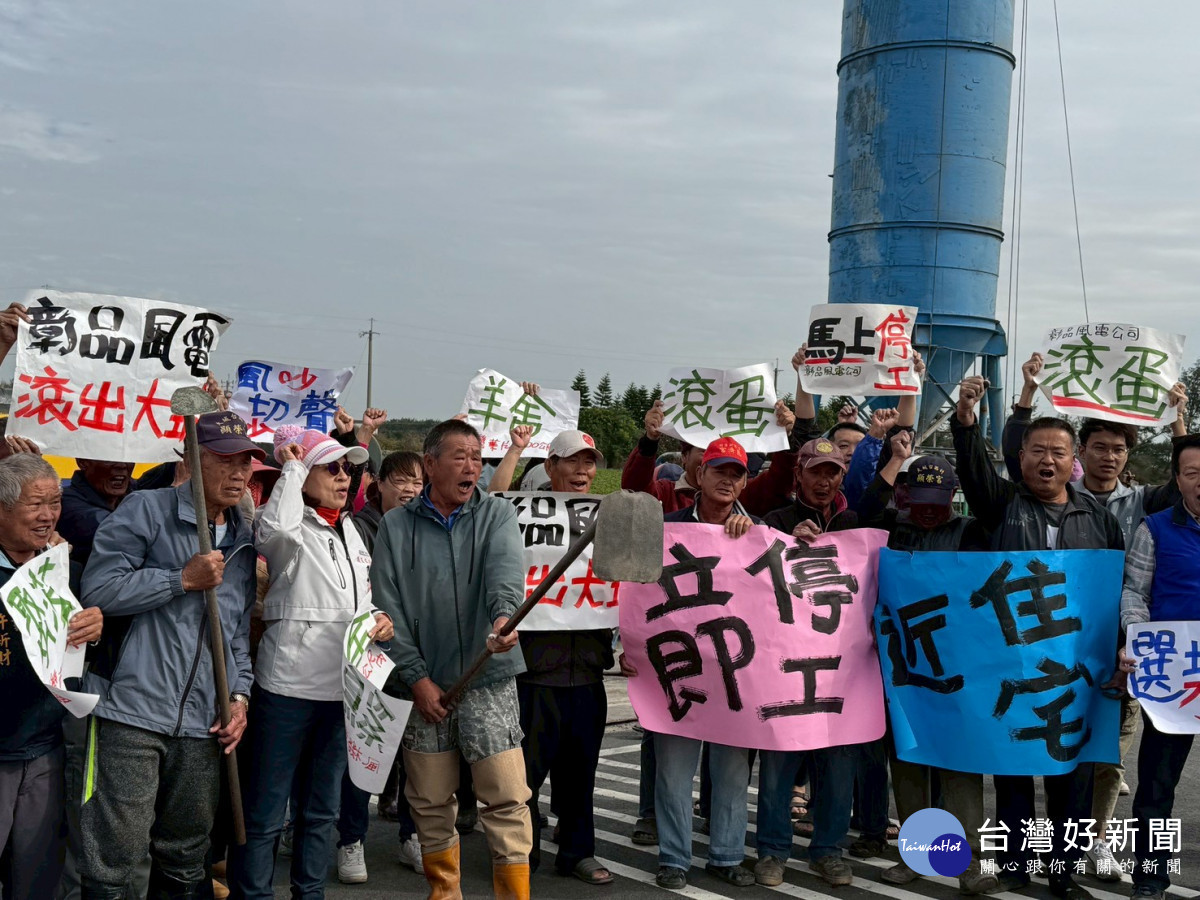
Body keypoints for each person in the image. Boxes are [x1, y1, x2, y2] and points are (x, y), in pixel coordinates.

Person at [1005, 353, 1190, 879]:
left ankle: (1093, 843)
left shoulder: (1141, 504)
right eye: (1099, 447)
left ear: (1128, 456)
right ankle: (1028, 853)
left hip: (1116, 650)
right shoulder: (1045, 498)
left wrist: (1177, 419)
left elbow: (1185, 483)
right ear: (1080, 454)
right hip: (1042, 643)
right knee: (1031, 752)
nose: (1109, 457)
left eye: (1119, 448)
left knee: (1104, 755)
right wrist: (1027, 394)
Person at [953, 375, 1124, 900]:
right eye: (1036, 451)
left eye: (1057, 451)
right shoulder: (1002, 505)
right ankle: (1014, 864)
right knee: (1013, 767)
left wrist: (1120, 649)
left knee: (1070, 772)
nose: (1046, 460)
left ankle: (1064, 872)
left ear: (1073, 460)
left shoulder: (1097, 517)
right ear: (1020, 456)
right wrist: (966, 419)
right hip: (1014, 661)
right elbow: (975, 469)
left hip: (1076, 666)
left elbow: (1113, 588)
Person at [78, 411, 261, 899]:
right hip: (131, 713)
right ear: (192, 461)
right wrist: (180, 579)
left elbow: (237, 634)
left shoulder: (244, 536)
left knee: (185, 856)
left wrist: (240, 698)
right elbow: (100, 589)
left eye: (246, 460)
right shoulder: (145, 510)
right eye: (226, 459)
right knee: (113, 857)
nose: (239, 471)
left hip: (206, 723)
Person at [371, 419, 533, 899]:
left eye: (476, 457)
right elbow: (387, 607)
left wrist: (505, 618)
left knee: (506, 797)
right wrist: (417, 679)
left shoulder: (496, 515)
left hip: (488, 676)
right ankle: (444, 893)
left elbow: (505, 575)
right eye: (459, 456)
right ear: (429, 464)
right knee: (429, 801)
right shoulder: (396, 526)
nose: (471, 466)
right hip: (423, 687)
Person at [227, 425, 389, 896]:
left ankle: (310, 894)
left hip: (344, 692)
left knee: (322, 812)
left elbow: (357, 600)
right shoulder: (290, 528)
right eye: (332, 468)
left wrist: (379, 619)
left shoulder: (352, 529)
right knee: (266, 811)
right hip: (287, 690)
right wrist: (293, 468)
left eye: (349, 469)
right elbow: (271, 530)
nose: (344, 478)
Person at [857, 439, 999, 893]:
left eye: (938, 503)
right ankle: (918, 854)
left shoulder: (975, 533)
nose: (928, 511)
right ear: (904, 497)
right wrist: (895, 460)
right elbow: (861, 510)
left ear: (953, 496)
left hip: (959, 669)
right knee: (909, 763)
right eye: (918, 501)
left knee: (960, 762)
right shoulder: (889, 530)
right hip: (904, 671)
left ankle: (972, 858)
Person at [635, 437, 760, 891]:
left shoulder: (758, 533)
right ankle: (673, 857)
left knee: (731, 771)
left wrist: (794, 540)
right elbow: (637, 594)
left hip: (735, 673)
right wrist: (630, 648)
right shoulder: (666, 529)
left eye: (737, 473)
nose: (728, 480)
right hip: (677, 670)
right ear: (699, 475)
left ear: (745, 481)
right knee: (672, 771)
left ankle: (727, 855)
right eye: (720, 471)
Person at [496, 427, 615, 885]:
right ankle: (520, 854)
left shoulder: (605, 518)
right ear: (551, 467)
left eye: (589, 463)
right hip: (532, 672)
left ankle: (578, 852)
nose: (583, 471)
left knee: (581, 773)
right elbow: (493, 500)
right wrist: (515, 448)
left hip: (587, 669)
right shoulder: (519, 515)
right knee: (524, 775)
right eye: (573, 461)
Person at [0, 454, 103, 900]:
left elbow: (84, 653)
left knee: (38, 878)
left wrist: (94, 627)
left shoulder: (64, 575)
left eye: (55, 503)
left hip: (45, 748)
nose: (48, 516)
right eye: (35, 504)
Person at [1117, 433, 1200, 900]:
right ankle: (1150, 878)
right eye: (1193, 473)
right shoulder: (1155, 528)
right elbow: (1135, 591)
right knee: (1157, 784)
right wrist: (1139, 636)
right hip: (1175, 677)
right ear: (1178, 479)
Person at [339, 449, 426, 873]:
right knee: (364, 747)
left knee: (416, 753)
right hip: (370, 656)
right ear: (380, 484)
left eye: (418, 483)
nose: (410, 490)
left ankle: (411, 835)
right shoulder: (358, 528)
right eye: (401, 481)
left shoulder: (427, 526)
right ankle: (351, 839)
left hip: (415, 653)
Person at [621, 399, 799, 516]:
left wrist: (787, 436)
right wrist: (650, 441)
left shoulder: (739, 494)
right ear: (684, 457)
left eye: (734, 473)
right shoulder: (665, 493)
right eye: (704, 449)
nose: (713, 456)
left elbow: (779, 483)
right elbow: (634, 490)